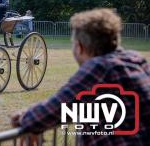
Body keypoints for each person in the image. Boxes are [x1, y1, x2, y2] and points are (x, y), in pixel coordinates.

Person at [10, 8, 150, 145]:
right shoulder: (136, 60)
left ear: (80, 47)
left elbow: (51, 110)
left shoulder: (99, 67)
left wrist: (25, 119)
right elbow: (71, 108)